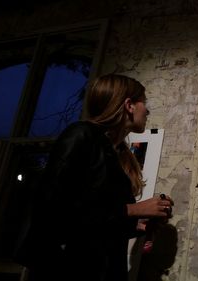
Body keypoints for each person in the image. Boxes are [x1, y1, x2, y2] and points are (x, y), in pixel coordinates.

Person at [16, 74, 173, 281]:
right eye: (144, 102)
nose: (148, 110)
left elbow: (99, 224)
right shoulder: (80, 136)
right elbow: (54, 213)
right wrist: (134, 209)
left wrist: (139, 224)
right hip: (68, 270)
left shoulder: (116, 153)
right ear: (129, 105)